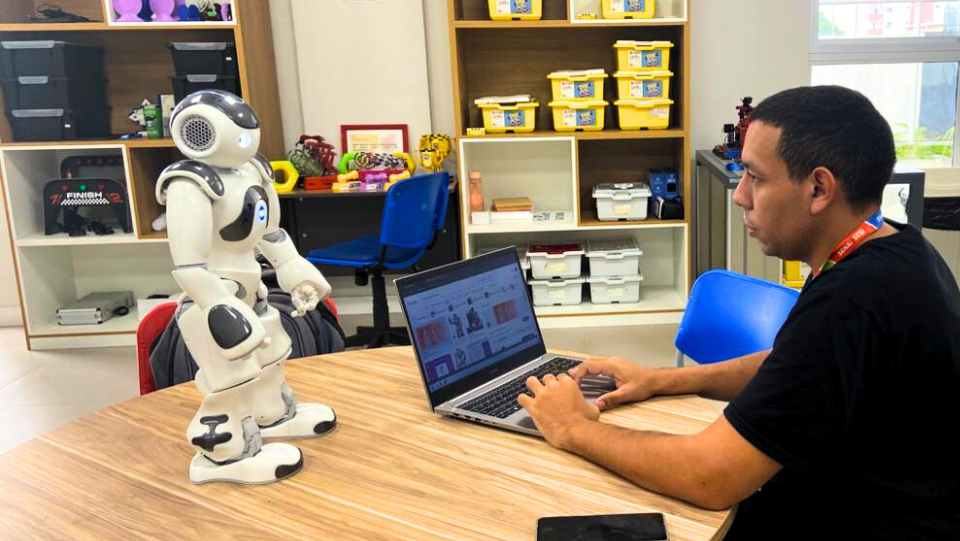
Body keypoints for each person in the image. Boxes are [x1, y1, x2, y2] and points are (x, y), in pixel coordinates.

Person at [519, 86, 960, 539]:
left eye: (755, 177)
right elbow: (795, 366)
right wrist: (660, 379)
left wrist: (572, 428)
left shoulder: (852, 299)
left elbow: (709, 476)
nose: (740, 196)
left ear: (819, 188)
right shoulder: (896, 247)